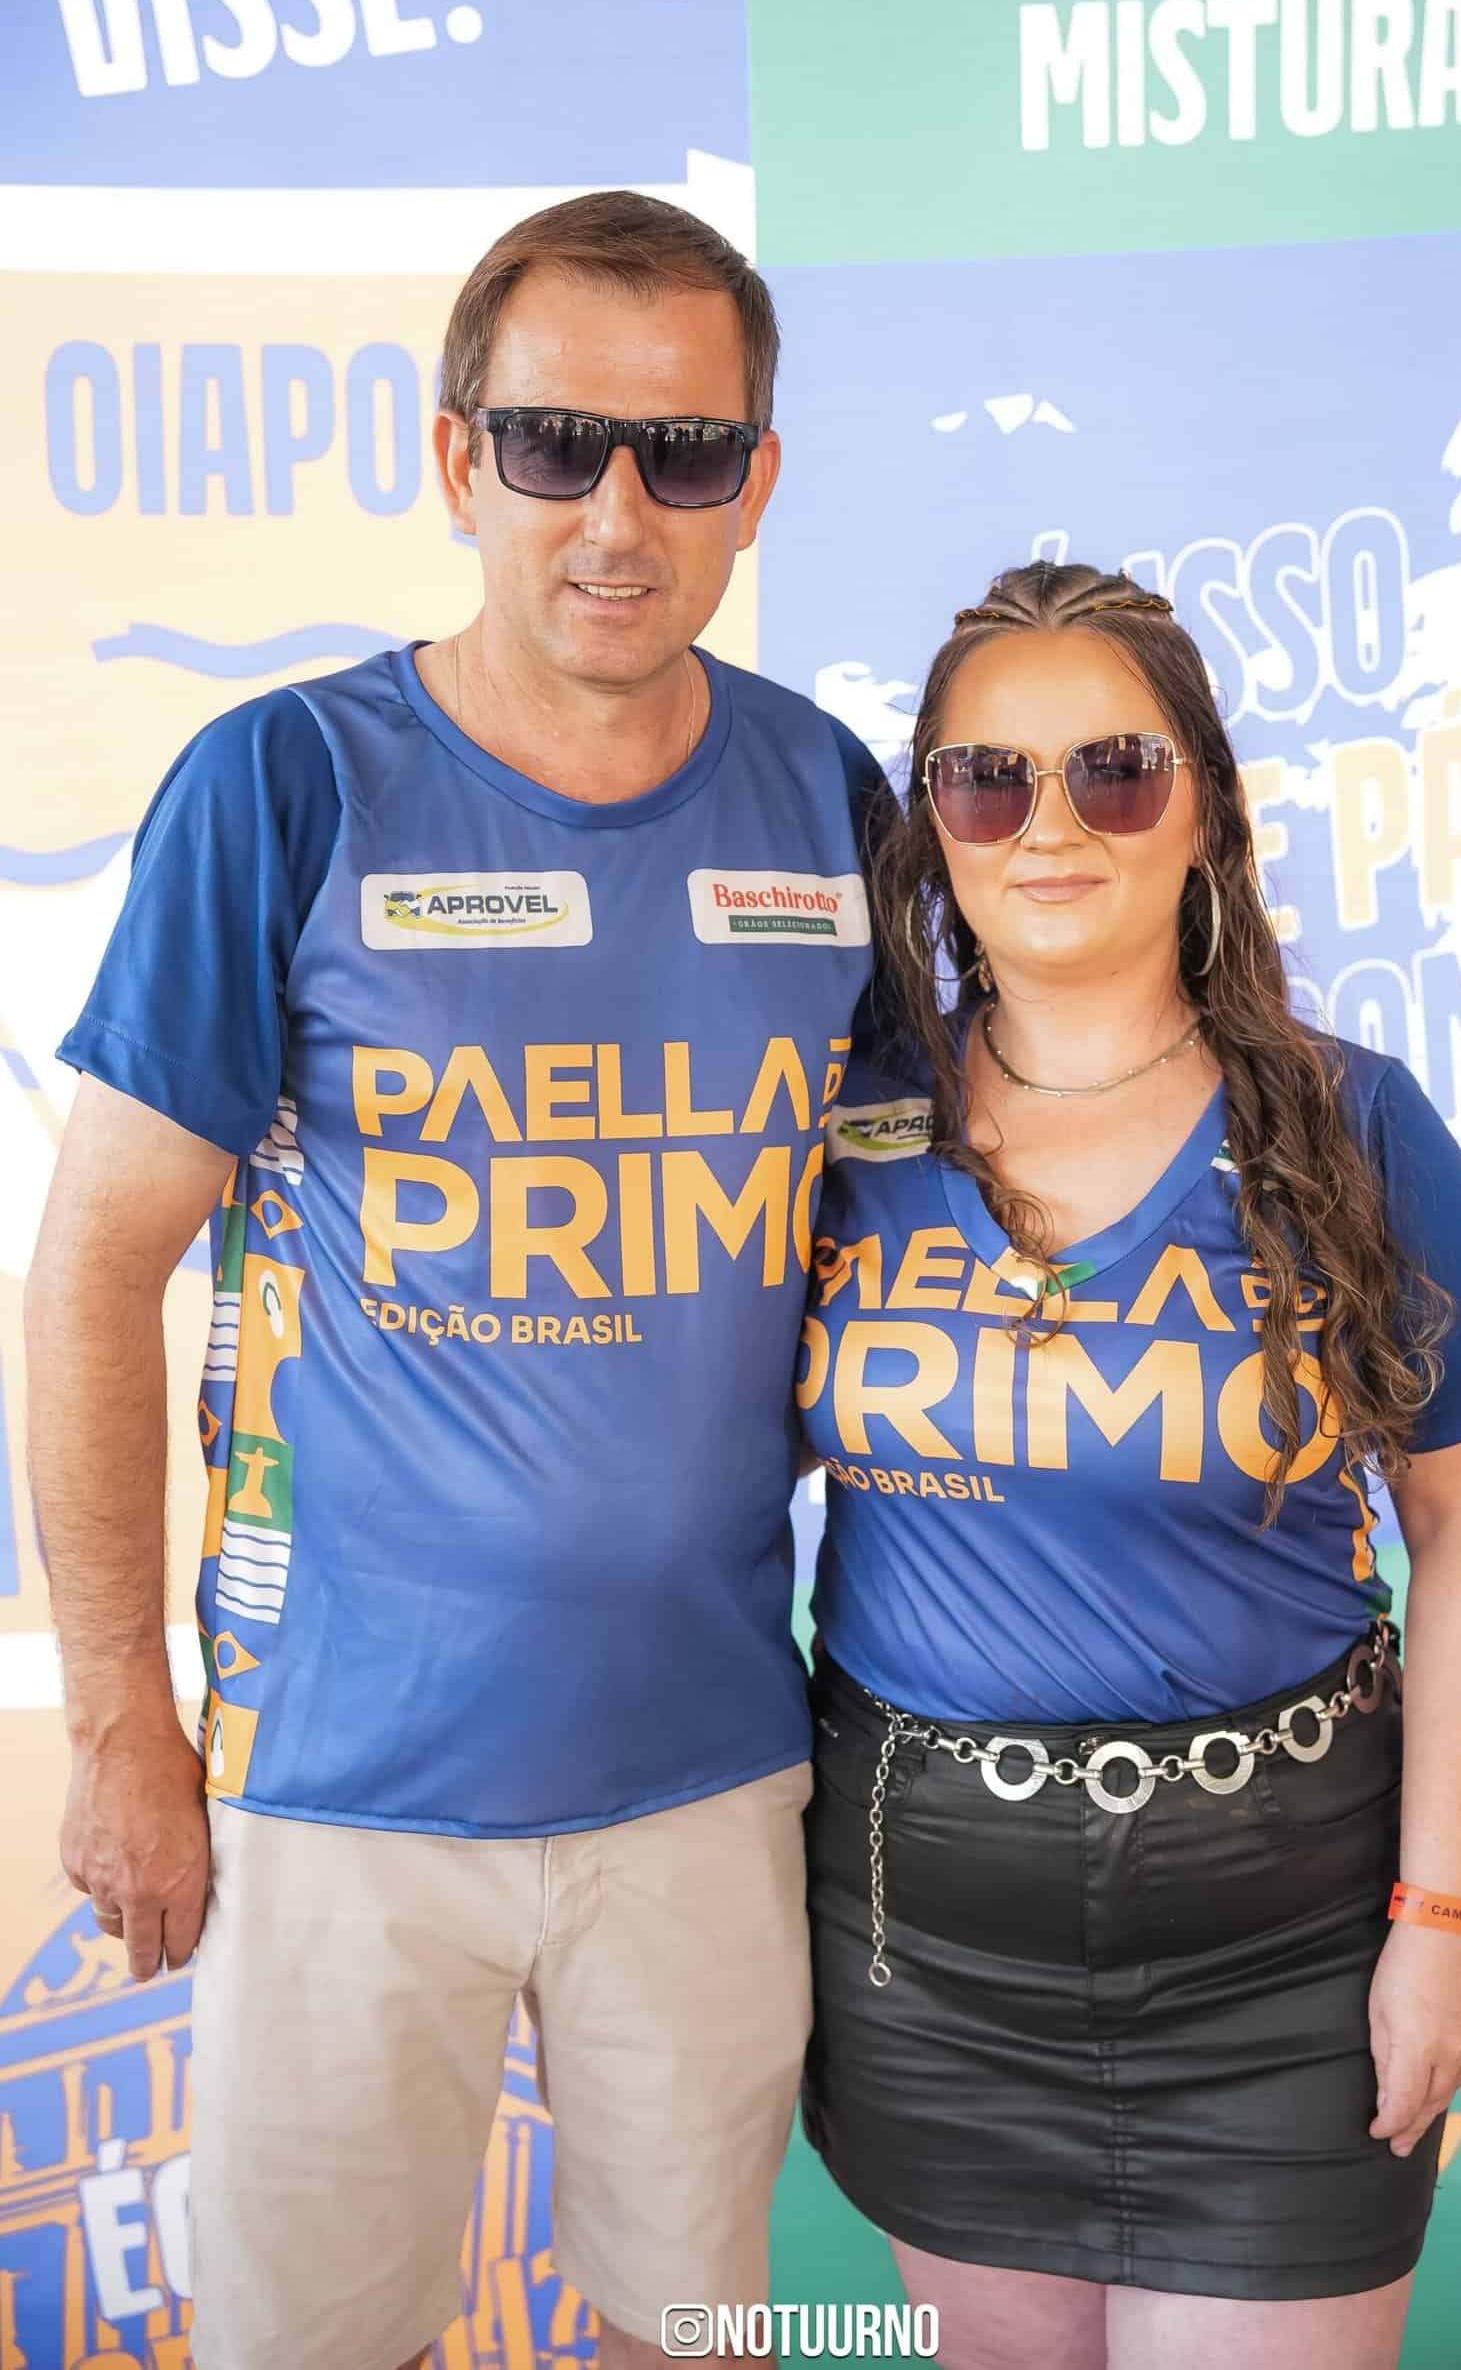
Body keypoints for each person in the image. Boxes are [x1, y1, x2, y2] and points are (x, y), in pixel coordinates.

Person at [25, 190, 882, 2370]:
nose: (617, 513)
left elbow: (916, 1256)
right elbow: (95, 1270)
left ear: (756, 481)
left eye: (685, 452)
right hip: (338, 1781)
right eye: (554, 443)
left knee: (700, 2334)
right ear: (453, 459)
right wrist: (124, 1725)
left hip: (710, 1768)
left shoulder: (828, 794)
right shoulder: (286, 782)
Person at [795, 561, 1461, 2370]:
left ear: (1203, 804)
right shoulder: (837, 1126)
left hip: (1287, 1965)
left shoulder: (1352, 1125)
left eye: (1115, 772)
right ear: (933, 829)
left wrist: (1450, 1916)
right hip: (925, 1961)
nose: (1050, 824)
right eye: (988, 780)